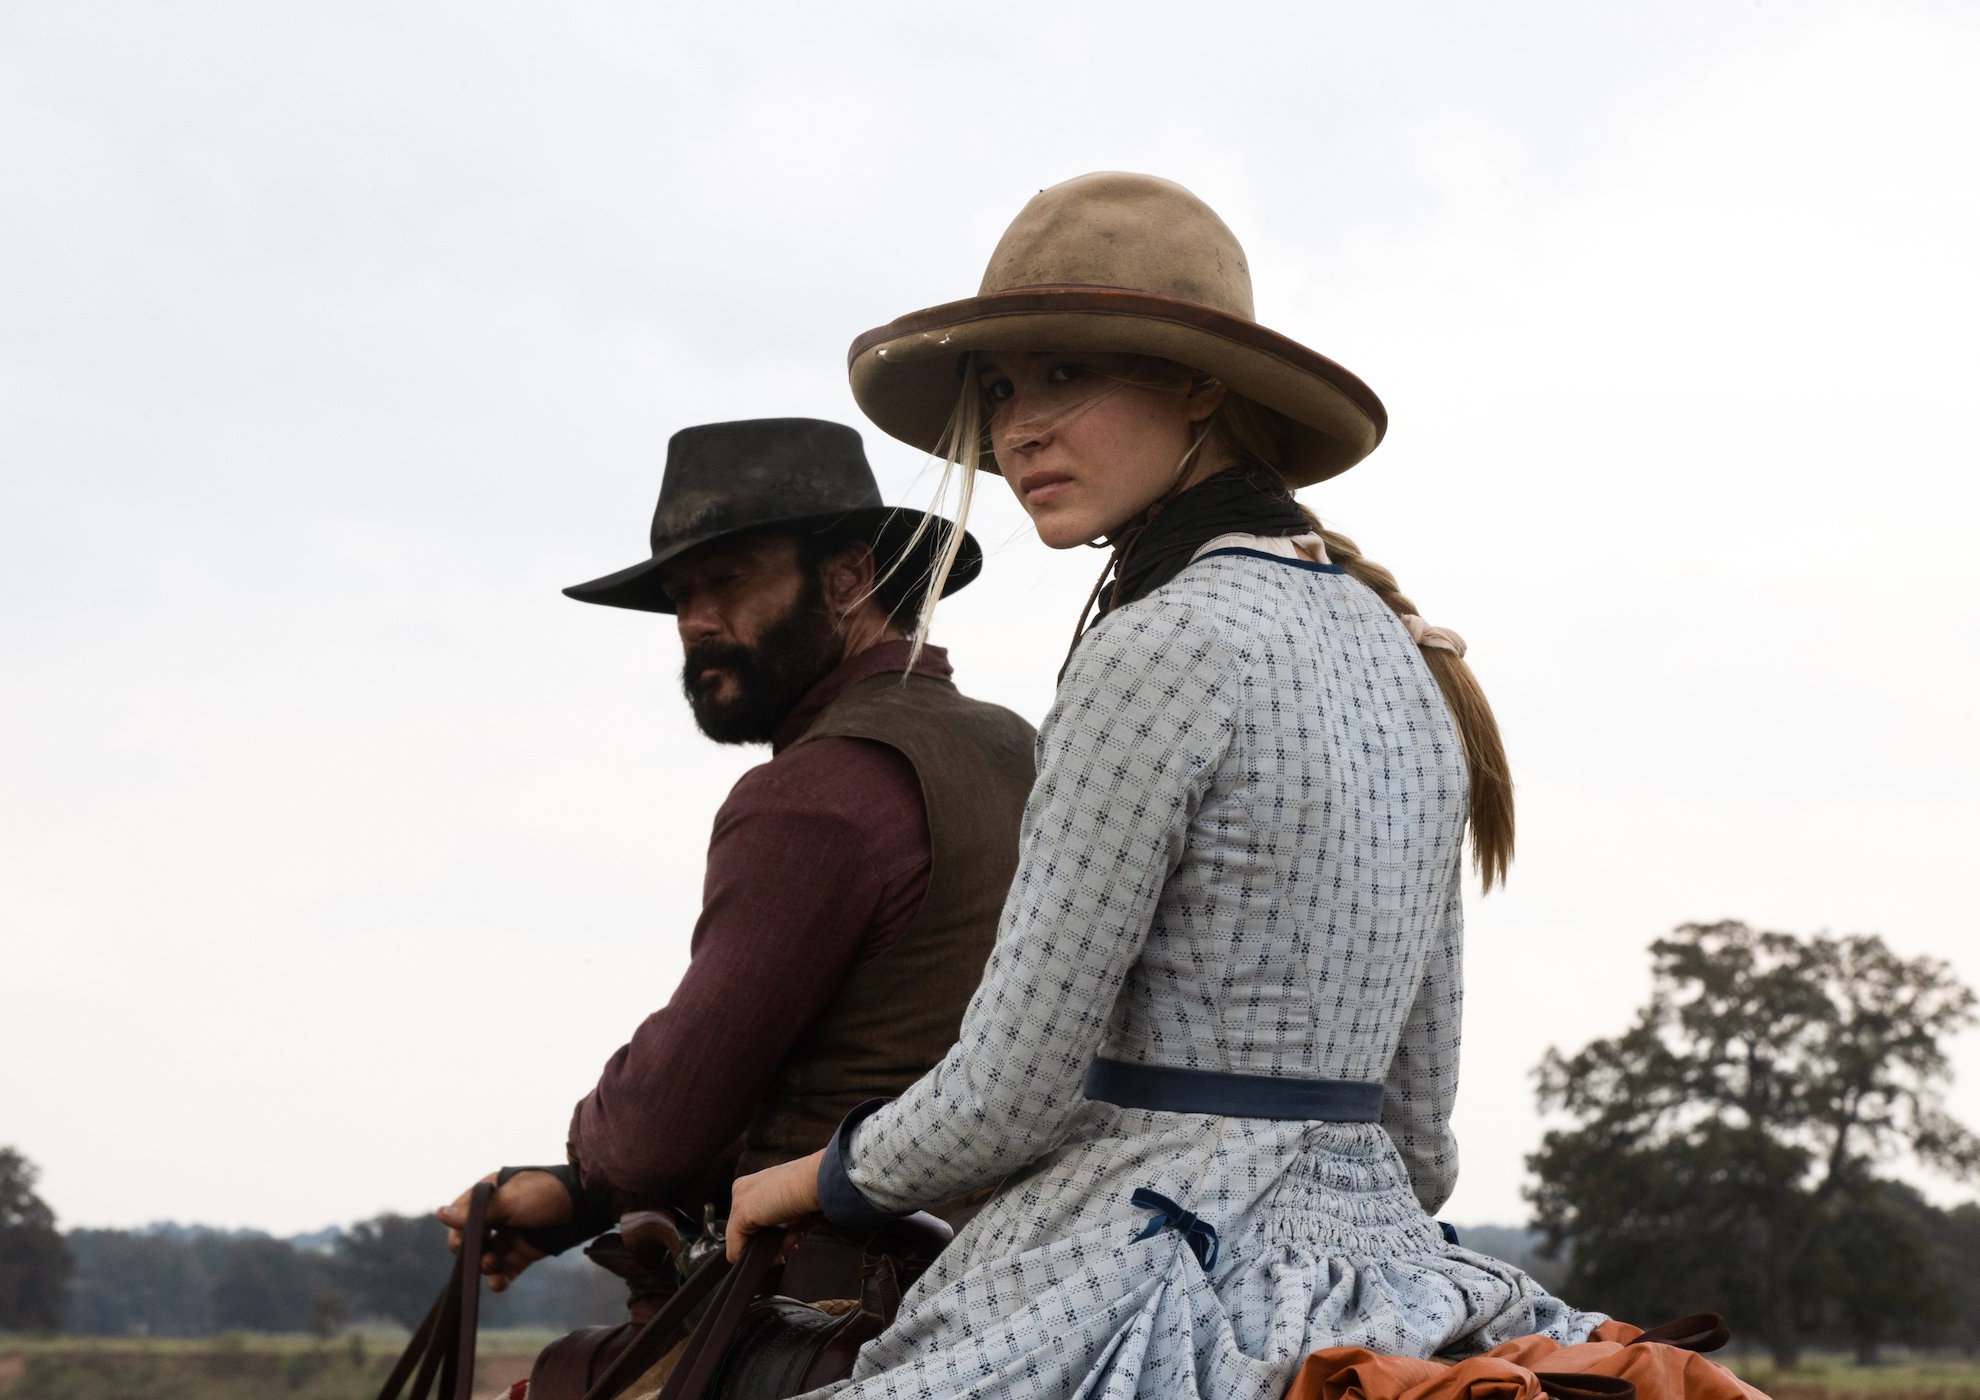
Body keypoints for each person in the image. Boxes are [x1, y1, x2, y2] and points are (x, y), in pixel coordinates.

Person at [724, 175, 1610, 1398]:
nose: (1018, 427)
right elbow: (1418, 1130)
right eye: (999, 389)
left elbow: (1011, 1093)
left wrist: (814, 1176)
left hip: (1153, 1263)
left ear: (1201, 385)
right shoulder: (1406, 652)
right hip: (1389, 1265)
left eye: (1064, 377)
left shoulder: (1158, 644)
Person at [442, 418, 1037, 1380]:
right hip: (1028, 1281)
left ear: (846, 578)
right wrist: (576, 1194)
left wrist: (594, 1163)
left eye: (729, 581)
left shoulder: (812, 795)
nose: (695, 621)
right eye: (680, 594)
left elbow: (659, 1125)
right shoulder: (1022, 746)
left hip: (850, 1311)